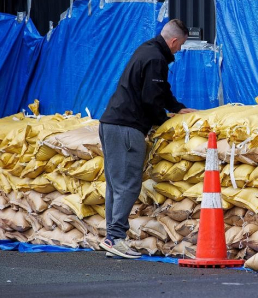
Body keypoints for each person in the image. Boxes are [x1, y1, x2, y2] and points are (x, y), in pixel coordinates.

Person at [98, 19, 196, 258]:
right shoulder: (156, 59)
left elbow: (160, 90)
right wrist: (164, 123)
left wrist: (176, 107)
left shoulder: (147, 50)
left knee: (115, 186)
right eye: (180, 44)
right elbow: (151, 98)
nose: (179, 49)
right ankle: (115, 238)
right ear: (173, 41)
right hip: (127, 129)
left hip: (110, 124)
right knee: (127, 186)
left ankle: (113, 238)